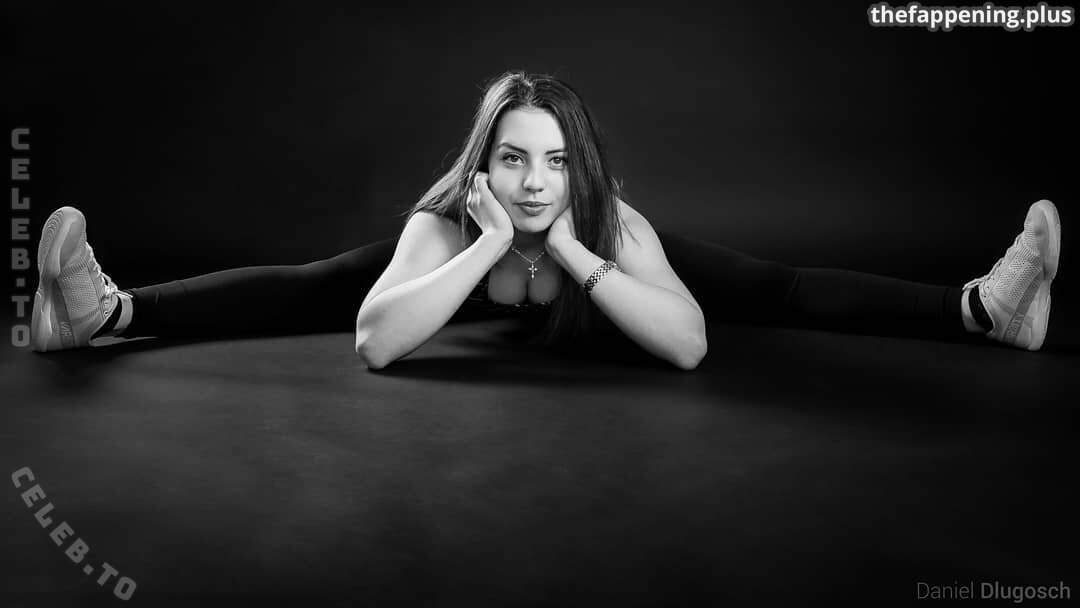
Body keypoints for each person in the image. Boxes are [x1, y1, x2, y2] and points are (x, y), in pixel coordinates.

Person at [29, 71, 1062, 370]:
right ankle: (101, 314)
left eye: (558, 162)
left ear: (584, 169)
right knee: (317, 283)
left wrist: (572, 245)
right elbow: (374, 343)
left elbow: (691, 347)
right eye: (515, 158)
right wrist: (486, 243)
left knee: (769, 285)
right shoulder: (451, 222)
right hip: (457, 260)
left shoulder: (609, 224)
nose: (534, 183)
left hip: (600, 261)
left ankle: (985, 310)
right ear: (485, 162)